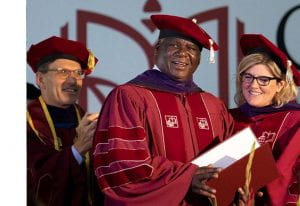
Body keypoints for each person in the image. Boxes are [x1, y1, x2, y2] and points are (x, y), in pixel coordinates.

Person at [92, 14, 244, 206]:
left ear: (198, 58)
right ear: (157, 50)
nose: (183, 53)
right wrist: (188, 176)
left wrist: (240, 186)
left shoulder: (213, 105)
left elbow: (231, 163)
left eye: (192, 48)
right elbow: (125, 165)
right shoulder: (129, 96)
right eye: (174, 45)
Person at [27, 36, 102, 206]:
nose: (72, 81)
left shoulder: (90, 123)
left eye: (78, 73)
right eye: (63, 72)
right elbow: (32, 182)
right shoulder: (26, 124)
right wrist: (78, 150)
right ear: (40, 79)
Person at [230, 34, 300, 206]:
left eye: (264, 80)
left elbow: (289, 173)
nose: (254, 85)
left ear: (280, 85)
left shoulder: (294, 120)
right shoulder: (229, 118)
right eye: (248, 77)